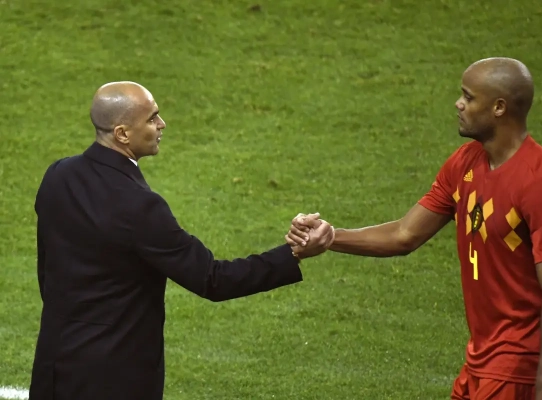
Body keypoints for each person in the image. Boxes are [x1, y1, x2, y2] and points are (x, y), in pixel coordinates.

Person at [287, 58, 542, 400]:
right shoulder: (465, 163)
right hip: (483, 358)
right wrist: (330, 237)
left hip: (525, 365)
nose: (458, 104)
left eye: (468, 97)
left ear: (499, 107)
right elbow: (404, 235)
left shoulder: (541, 183)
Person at [29, 81, 335, 400]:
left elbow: (48, 269)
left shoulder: (58, 175)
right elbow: (213, 279)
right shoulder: (139, 206)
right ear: (122, 134)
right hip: (113, 377)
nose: (162, 124)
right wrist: (293, 253)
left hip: (54, 363)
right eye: (152, 118)